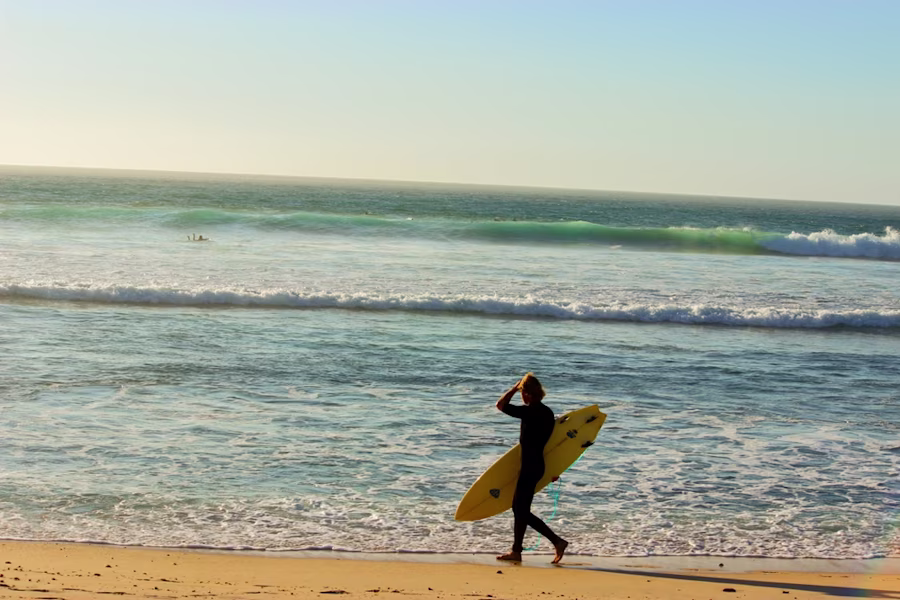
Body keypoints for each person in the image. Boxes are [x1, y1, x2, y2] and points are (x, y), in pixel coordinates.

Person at [495, 373, 568, 564]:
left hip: (530, 467)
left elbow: (500, 405)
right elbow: (553, 445)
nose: (521, 396)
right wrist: (554, 469)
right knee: (520, 509)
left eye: (521, 392)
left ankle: (557, 541)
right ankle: (516, 551)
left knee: (520, 510)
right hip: (536, 466)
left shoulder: (531, 412)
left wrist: (512, 388)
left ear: (526, 393)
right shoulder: (546, 412)